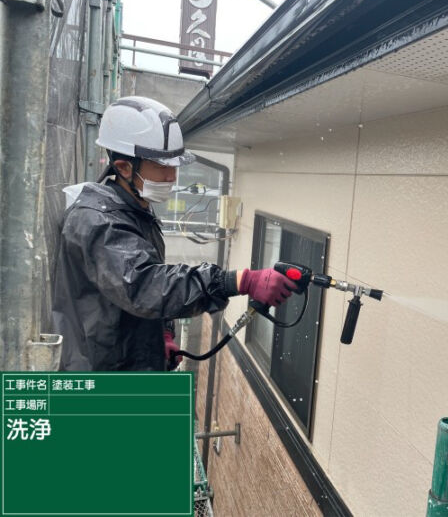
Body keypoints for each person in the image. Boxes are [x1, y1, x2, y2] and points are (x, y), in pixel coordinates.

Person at [52, 96, 295, 371]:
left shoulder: (134, 209)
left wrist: (162, 335)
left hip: (127, 364)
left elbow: (146, 283)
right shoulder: (97, 220)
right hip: (100, 378)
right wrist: (236, 281)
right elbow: (143, 285)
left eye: (173, 167)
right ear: (123, 167)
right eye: (162, 167)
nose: (172, 177)